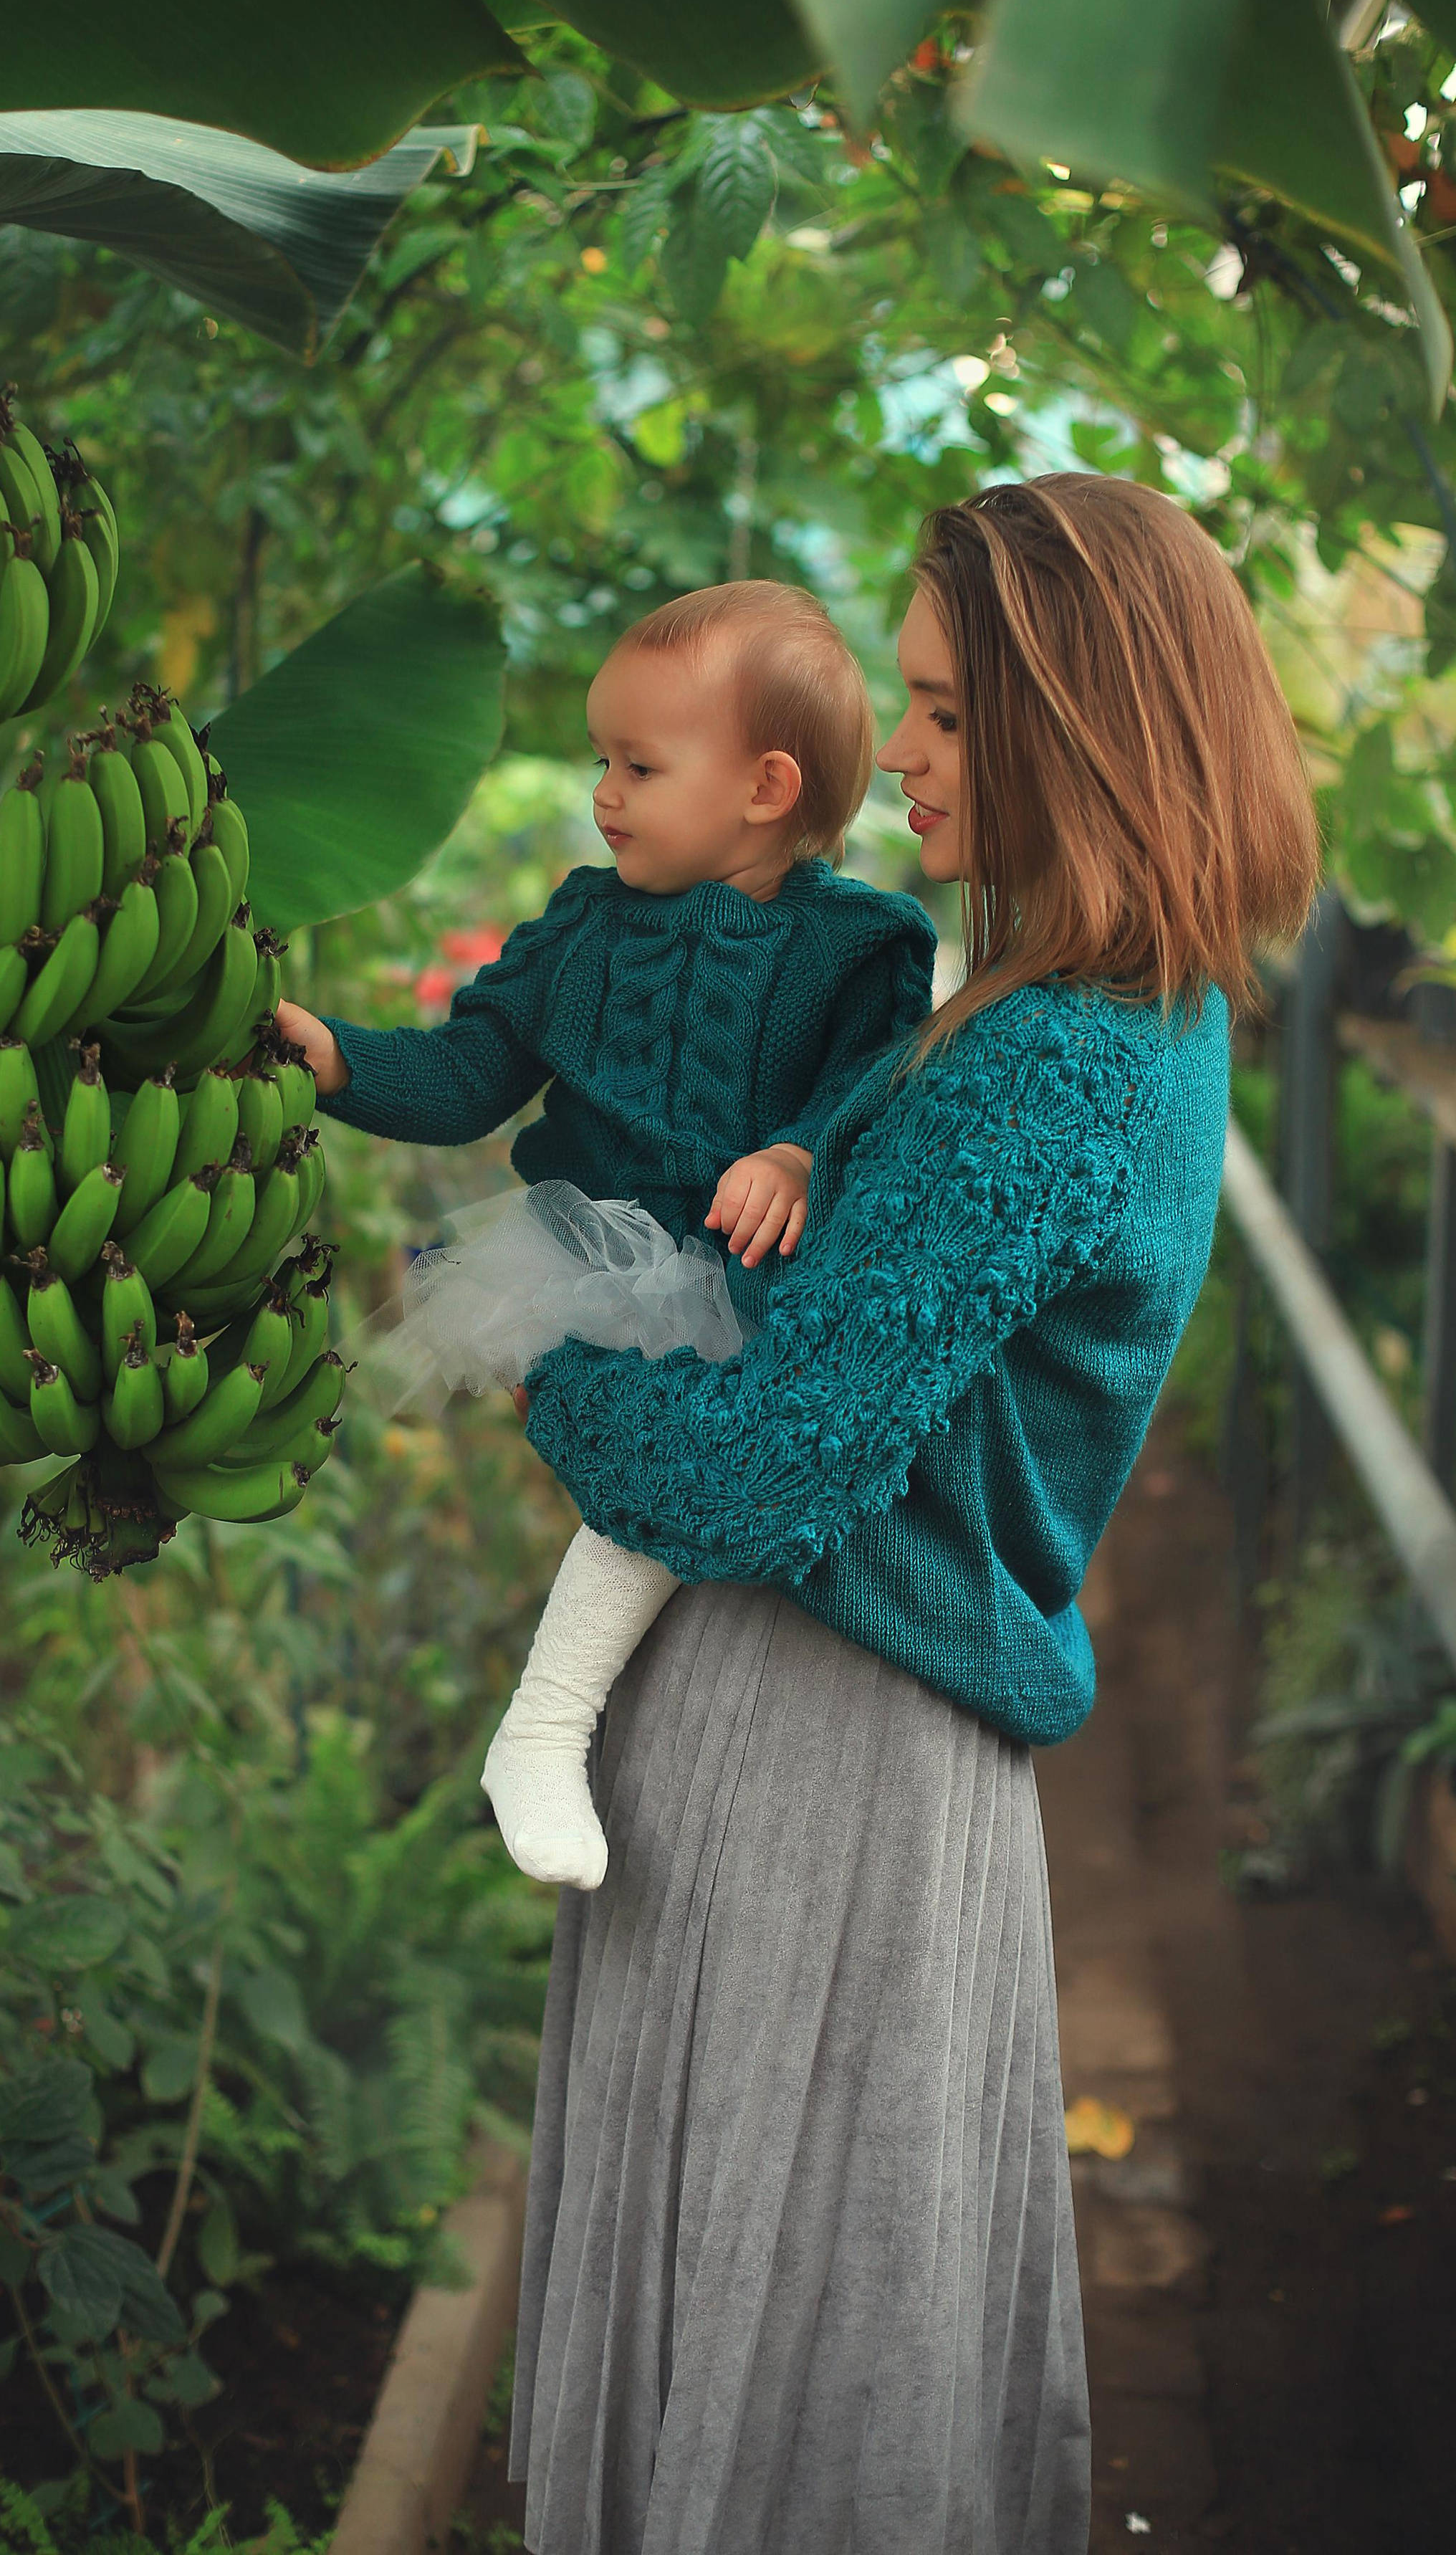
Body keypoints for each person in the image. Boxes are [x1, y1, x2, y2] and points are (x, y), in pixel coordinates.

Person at [502, 474, 1320, 2555]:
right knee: (825, 2311)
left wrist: (543, 1352)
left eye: (953, 711)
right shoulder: (1114, 1006)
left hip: (817, 1735)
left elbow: (761, 1470)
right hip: (870, 1722)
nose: (907, 751)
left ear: (1080, 724)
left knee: (777, 2323)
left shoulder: (1055, 1062)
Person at [275, 580, 937, 1886]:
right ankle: (543, 1728)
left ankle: (562, 1727)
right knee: (660, 1464)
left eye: (640, 765)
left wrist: (798, 1150)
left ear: (765, 788)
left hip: (752, 1268)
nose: (605, 794)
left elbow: (879, 1089)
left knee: (735, 1479)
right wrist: (339, 1062)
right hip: (604, 1257)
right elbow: (470, 1073)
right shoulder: (583, 926)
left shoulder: (860, 946)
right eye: (602, 761)